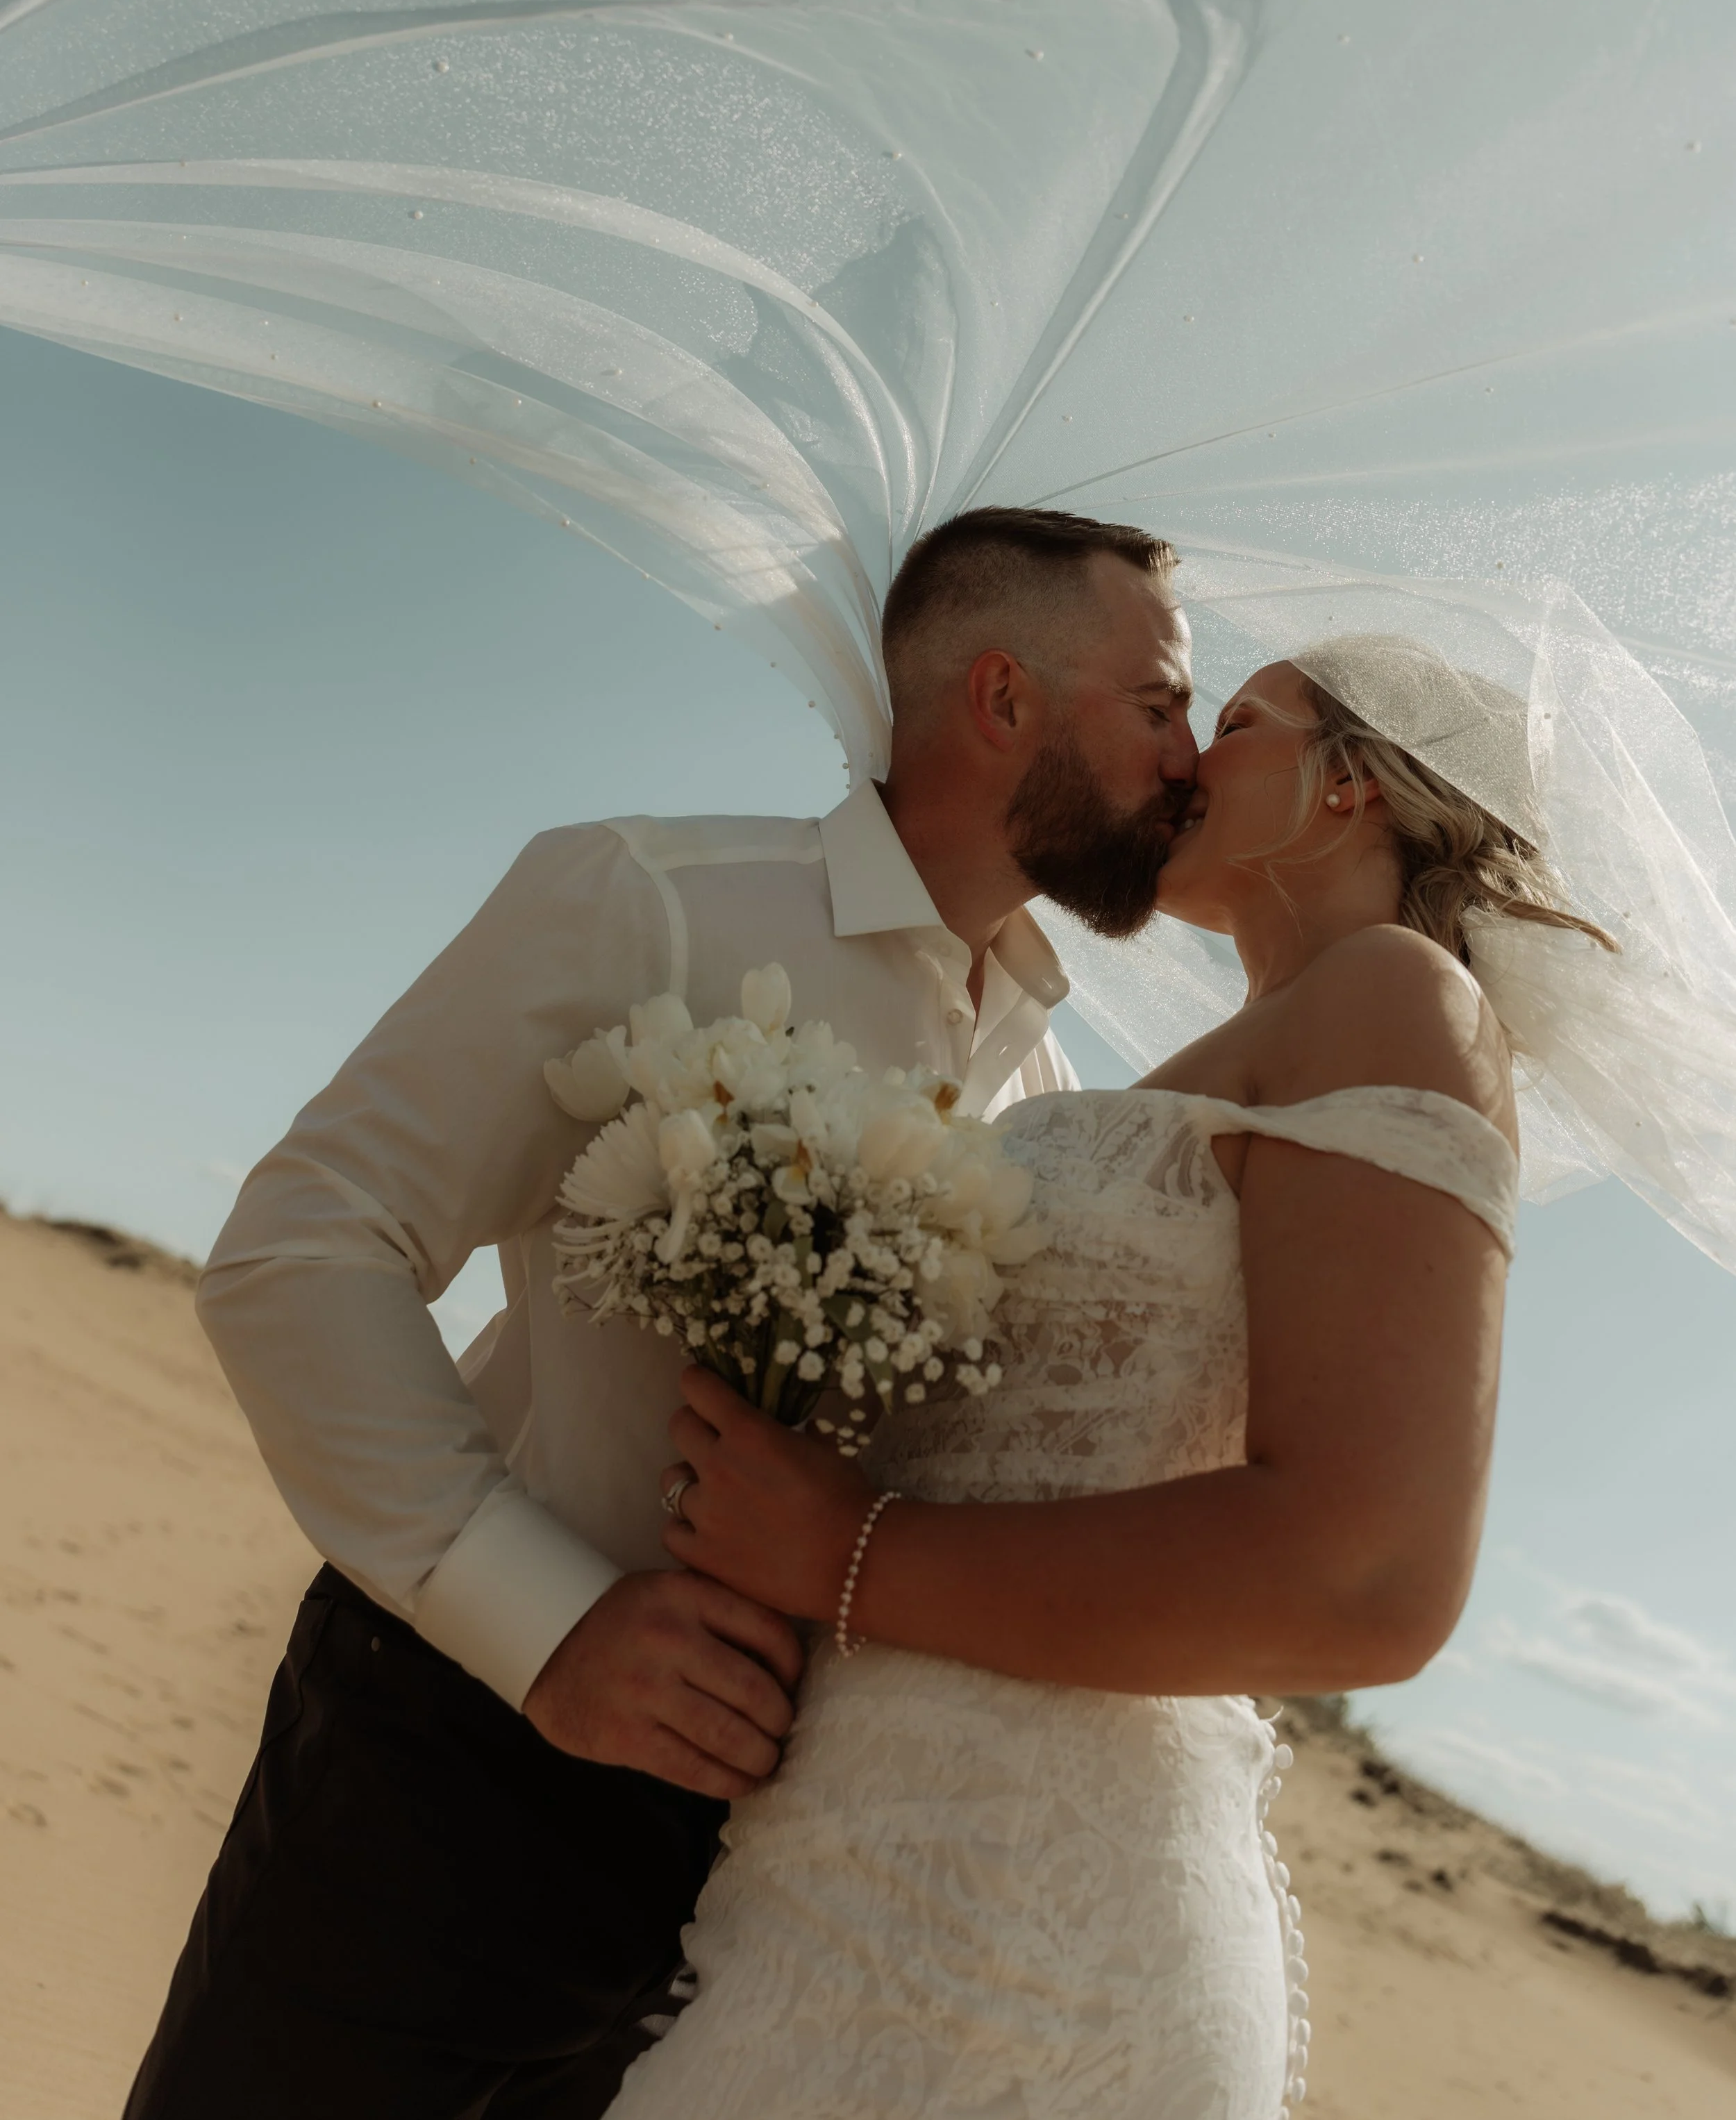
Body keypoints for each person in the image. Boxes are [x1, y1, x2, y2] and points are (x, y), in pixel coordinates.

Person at [124, 504, 1199, 2120]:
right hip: (448, 1775)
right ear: (1001, 701)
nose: (1189, 756)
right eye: (1163, 702)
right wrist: (543, 1621)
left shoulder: (1042, 1090)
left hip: (750, 1896)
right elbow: (302, 1247)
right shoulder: (650, 904)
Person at [608, 643, 1616, 2119]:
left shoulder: (1396, 999)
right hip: (852, 1871)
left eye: (1240, 723)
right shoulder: (1234, 1049)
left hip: (1029, 1937)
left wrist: (842, 1553)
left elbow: (1369, 1575)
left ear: (1349, 781)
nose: (1187, 759)